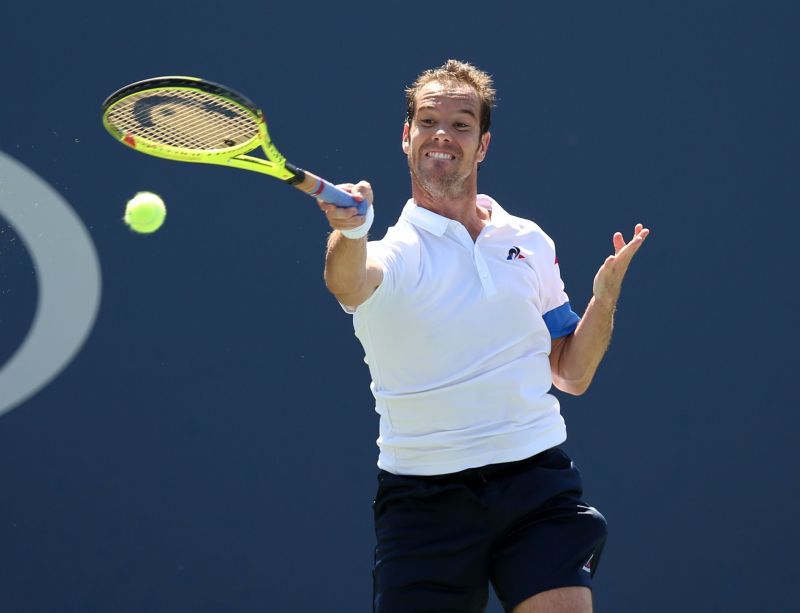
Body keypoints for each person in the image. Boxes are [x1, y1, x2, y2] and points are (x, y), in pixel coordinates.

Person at [318, 59, 649, 613]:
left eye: (461, 123)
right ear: (407, 137)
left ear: (483, 145)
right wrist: (350, 231)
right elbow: (347, 280)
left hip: (535, 483)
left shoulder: (528, 241)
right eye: (427, 121)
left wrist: (604, 300)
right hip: (425, 503)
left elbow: (570, 372)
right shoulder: (393, 252)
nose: (442, 134)